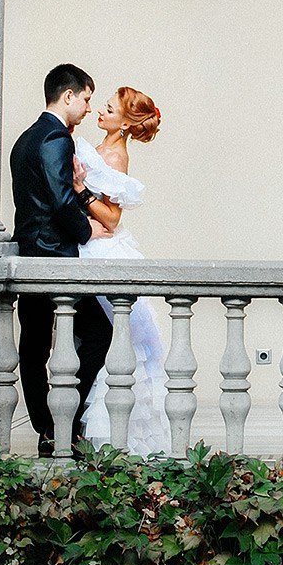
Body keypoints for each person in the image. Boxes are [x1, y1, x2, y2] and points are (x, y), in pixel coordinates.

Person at [9, 63, 114, 456]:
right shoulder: (56, 138)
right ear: (68, 96)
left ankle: (47, 430)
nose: (88, 109)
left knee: (34, 345)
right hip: (55, 258)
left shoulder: (25, 139)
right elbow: (59, 198)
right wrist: (89, 230)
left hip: (30, 252)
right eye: (86, 99)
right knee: (99, 333)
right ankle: (57, 425)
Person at [76, 86, 173, 454]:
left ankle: (124, 435)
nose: (101, 112)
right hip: (90, 243)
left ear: (124, 123)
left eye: (110, 109)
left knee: (120, 337)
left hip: (103, 247)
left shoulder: (116, 157)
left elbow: (112, 219)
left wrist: (81, 191)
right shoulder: (97, 149)